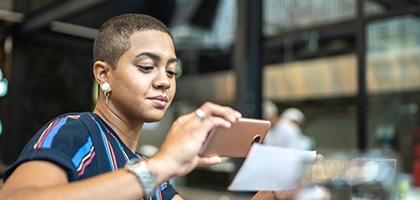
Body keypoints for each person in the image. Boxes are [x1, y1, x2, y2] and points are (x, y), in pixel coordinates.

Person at [0, 14, 301, 200]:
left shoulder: (146, 171)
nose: (164, 82)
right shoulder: (76, 131)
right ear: (103, 74)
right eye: (146, 67)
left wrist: (273, 196)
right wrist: (160, 166)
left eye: (171, 71)